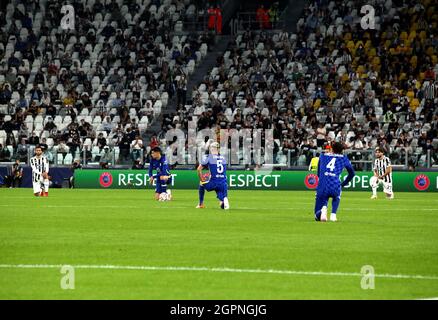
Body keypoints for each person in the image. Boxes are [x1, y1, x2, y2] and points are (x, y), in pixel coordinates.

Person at [314, 142, 355, 222]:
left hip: (323, 185)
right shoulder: (344, 158)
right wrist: (343, 184)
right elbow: (352, 173)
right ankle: (333, 215)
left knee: (316, 216)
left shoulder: (322, 156)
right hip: (335, 184)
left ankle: (323, 209)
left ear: (332, 149)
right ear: (342, 150)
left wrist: (322, 180)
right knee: (336, 196)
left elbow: (319, 172)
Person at [196, 142, 229, 210]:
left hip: (214, 182)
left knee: (201, 183)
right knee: (219, 194)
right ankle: (223, 200)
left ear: (212, 148)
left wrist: (201, 179)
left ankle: (200, 204)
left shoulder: (209, 157)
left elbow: (199, 169)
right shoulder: (223, 158)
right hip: (223, 183)